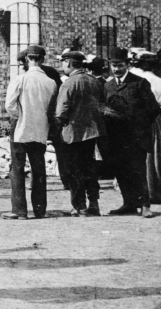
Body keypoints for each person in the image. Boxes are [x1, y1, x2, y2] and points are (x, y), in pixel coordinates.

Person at [103, 47, 160, 218]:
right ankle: (128, 203)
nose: (116, 69)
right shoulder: (108, 85)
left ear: (127, 64)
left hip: (136, 137)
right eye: (113, 65)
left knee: (137, 170)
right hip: (116, 137)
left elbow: (154, 109)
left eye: (120, 65)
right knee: (121, 171)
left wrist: (138, 124)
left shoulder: (140, 83)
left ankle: (144, 205)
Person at [3, 45, 56, 220]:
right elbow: (52, 109)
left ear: (27, 59)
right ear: (42, 60)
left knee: (17, 169)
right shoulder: (51, 82)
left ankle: (19, 210)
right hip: (40, 130)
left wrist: (20, 116)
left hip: (20, 130)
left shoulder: (20, 79)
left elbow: (9, 105)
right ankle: (40, 210)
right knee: (38, 169)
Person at [54, 51, 106, 216]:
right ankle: (94, 203)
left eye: (63, 63)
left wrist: (56, 128)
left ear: (69, 63)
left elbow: (61, 111)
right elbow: (102, 105)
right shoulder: (94, 81)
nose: (62, 66)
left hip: (73, 133)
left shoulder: (69, 84)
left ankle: (79, 206)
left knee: (75, 170)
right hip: (92, 132)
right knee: (90, 168)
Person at [130, 52, 161, 204]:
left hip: (133, 121)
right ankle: (154, 191)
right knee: (154, 157)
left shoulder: (134, 77)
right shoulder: (160, 83)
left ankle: (137, 193)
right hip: (153, 123)